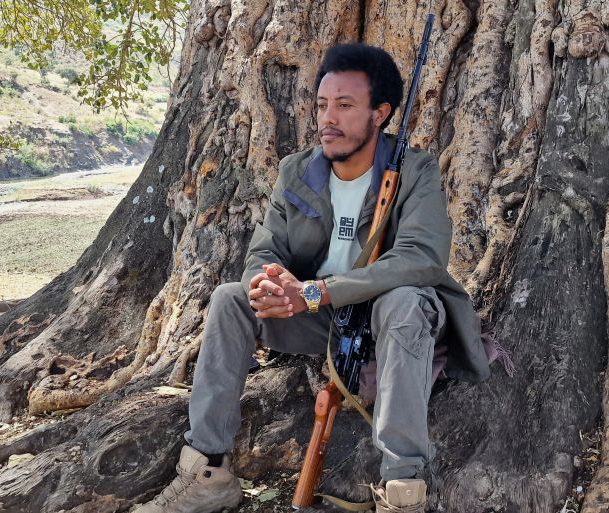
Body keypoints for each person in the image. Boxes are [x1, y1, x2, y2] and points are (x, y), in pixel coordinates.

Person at [138, 43, 490, 513]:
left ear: (380, 113)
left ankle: (403, 491)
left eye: (344, 105)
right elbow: (264, 250)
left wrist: (316, 291)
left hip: (391, 317)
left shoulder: (415, 171)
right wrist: (268, 283)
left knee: (404, 302)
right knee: (230, 299)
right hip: (323, 319)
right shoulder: (298, 171)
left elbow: (421, 259)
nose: (328, 118)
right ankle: (208, 471)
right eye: (322, 105)